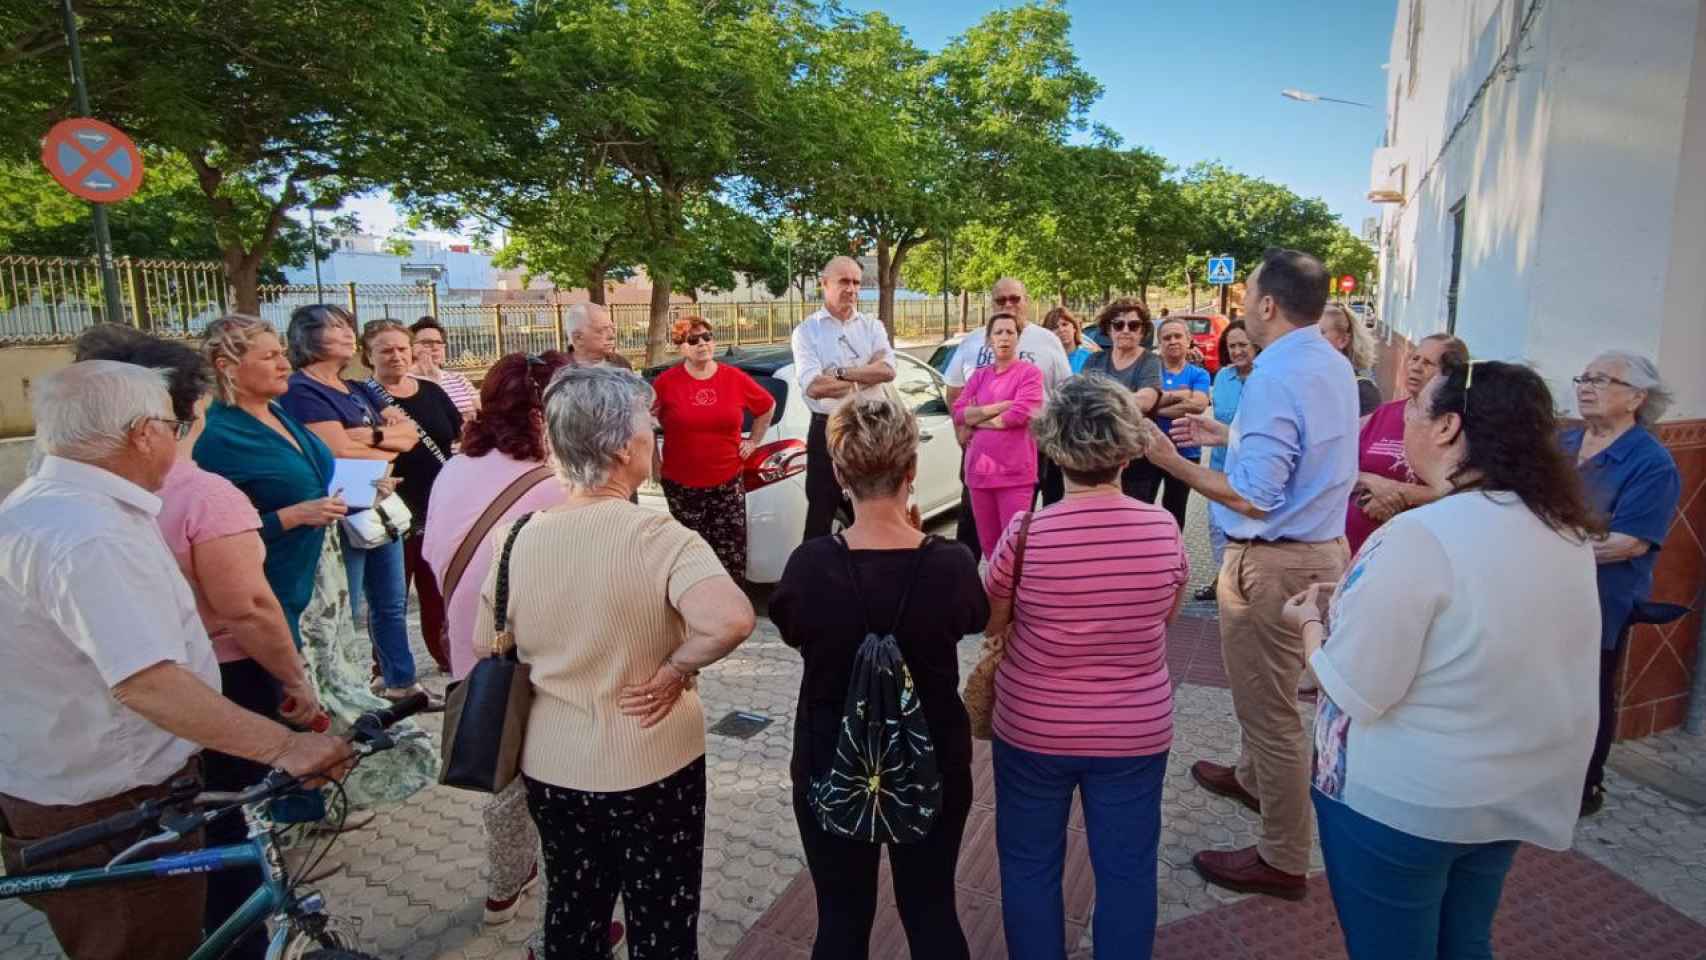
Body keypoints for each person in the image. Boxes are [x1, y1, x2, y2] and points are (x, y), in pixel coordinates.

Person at [0, 360, 351, 960]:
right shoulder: (90, 534)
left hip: (77, 786)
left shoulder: (48, 505)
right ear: (141, 434)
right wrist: (286, 746)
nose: (180, 435)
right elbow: (150, 684)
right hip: (112, 801)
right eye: (172, 424)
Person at [1300, 360, 1602, 959]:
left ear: (1447, 428)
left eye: (1415, 409)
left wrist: (1309, 622)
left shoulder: (1421, 535)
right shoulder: (1564, 530)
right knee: (1465, 940)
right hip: (1506, 792)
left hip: (1408, 805)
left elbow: (1356, 687)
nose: (1405, 420)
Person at [474, 365, 754, 958]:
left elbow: (486, 646)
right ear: (626, 448)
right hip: (654, 760)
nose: (655, 439)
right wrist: (677, 669)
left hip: (552, 765)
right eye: (650, 429)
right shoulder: (661, 537)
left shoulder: (515, 538)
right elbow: (730, 619)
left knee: (574, 912)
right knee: (662, 921)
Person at [73, 326, 322, 960]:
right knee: (227, 821)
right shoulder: (200, 493)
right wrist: (295, 682)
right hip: (219, 676)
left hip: (113, 733)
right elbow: (248, 606)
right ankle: (240, 935)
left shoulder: (62, 499)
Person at [1144, 249, 1358, 900]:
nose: (1240, 308)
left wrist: (1168, 459)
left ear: (1268, 306)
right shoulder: (1328, 361)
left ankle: (1284, 856)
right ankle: (1252, 777)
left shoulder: (1275, 373)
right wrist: (1226, 430)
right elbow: (1293, 454)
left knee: (1271, 713)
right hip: (1318, 548)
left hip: (1276, 560)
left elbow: (1256, 496)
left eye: (1246, 298)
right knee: (1267, 697)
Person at [771, 388, 988, 960]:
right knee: (932, 910)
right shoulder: (951, 564)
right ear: (912, 469)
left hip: (829, 758)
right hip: (933, 761)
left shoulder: (809, 565)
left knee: (841, 920)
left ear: (839, 472)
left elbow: (793, 630)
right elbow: (973, 618)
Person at [200, 315, 441, 809]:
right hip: (275, 582)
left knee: (326, 685)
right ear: (227, 367)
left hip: (323, 573)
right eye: (268, 356)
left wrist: (358, 485)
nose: (283, 362)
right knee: (288, 693)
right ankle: (290, 812)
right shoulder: (218, 436)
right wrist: (289, 516)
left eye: (280, 353)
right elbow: (209, 533)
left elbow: (334, 463)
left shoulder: (278, 413)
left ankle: (321, 799)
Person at [984, 375, 1186, 960]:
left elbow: (995, 621)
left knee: (1028, 864)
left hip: (1033, 728)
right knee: (1127, 871)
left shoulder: (1025, 536)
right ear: (1127, 450)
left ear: (1051, 448)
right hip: (1135, 731)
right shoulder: (1163, 529)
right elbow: (1165, 616)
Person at [278, 304, 432, 705]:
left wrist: (366, 437)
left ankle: (401, 682)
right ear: (306, 338)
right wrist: (378, 440)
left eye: (347, 327)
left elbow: (410, 434)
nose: (348, 334)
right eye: (334, 329)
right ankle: (339, 689)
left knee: (390, 603)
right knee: (344, 608)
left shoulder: (359, 388)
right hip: (337, 513)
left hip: (377, 505)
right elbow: (334, 450)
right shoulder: (301, 391)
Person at [1561, 351, 1682, 817]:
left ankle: (1585, 785)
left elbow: (1628, 543)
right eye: (1583, 376)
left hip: (1601, 597)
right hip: (1547, 591)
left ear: (1637, 398)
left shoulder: (1652, 463)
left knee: (1589, 686)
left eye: (1601, 380)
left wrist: (1548, 548)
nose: (1586, 386)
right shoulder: (1566, 441)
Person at [359, 319, 464, 675]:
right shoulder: (361, 398)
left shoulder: (432, 392)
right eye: (385, 350)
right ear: (367, 355)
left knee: (439, 590)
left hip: (438, 506)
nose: (396, 356)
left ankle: (446, 655)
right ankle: (386, 669)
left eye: (402, 348)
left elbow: (457, 436)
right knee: (390, 596)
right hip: (390, 509)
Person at [944, 279, 1072, 537]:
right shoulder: (972, 341)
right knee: (972, 530)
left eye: (1014, 298)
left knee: (1027, 529)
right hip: (980, 454)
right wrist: (963, 430)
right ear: (991, 303)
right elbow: (955, 391)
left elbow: (1064, 394)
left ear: (1027, 300)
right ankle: (974, 577)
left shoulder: (1047, 340)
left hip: (1032, 450)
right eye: (1001, 300)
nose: (1008, 305)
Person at [653, 315, 777, 579]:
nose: (702, 344)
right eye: (693, 340)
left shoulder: (734, 378)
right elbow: (644, 421)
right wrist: (654, 463)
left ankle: (730, 615)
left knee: (730, 558)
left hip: (727, 484)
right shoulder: (666, 383)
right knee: (689, 558)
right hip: (681, 486)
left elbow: (766, 407)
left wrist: (753, 441)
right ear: (680, 346)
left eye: (707, 337)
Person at [791, 256, 896, 539]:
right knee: (821, 515)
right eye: (844, 281)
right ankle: (817, 581)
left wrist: (838, 373)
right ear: (824, 284)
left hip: (871, 425)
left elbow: (887, 371)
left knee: (874, 509)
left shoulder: (873, 326)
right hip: (828, 429)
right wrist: (865, 375)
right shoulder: (806, 332)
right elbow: (814, 386)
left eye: (856, 282)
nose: (851, 288)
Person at [1345, 333, 1469, 555]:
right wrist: (1373, 481)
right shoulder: (1383, 414)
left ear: (1449, 375)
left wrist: (1397, 494)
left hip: (1410, 550)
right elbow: (1340, 469)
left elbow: (1457, 489)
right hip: (1354, 545)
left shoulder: (1452, 426)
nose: (1416, 367)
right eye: (1414, 358)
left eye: (1429, 363)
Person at [951, 313, 1046, 560]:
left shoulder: (1030, 374)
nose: (1004, 337)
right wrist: (999, 406)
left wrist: (978, 420)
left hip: (1014, 475)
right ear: (989, 339)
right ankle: (994, 597)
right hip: (979, 475)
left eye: (1010, 332)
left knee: (1014, 549)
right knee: (990, 548)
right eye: (998, 332)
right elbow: (959, 412)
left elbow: (1020, 415)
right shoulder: (979, 376)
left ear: (1018, 337)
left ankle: (1017, 598)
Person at [1195, 321, 1257, 601]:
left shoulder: (1267, 378)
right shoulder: (1222, 377)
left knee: (1247, 528)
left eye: (1243, 345)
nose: (1237, 351)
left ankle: (1244, 583)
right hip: (1220, 466)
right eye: (1232, 346)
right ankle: (1223, 577)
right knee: (1217, 526)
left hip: (1253, 467)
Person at [1081, 298, 1163, 504]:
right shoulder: (1095, 360)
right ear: (1109, 330)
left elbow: (1146, 400)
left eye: (1133, 325)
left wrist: (1100, 400)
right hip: (1097, 455)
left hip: (1137, 459)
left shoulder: (1150, 361)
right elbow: (1081, 403)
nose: (1126, 330)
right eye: (1118, 325)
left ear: (1142, 331)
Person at [1153, 316, 1211, 529]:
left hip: (1185, 451)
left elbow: (1198, 405)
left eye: (1178, 336)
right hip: (1148, 451)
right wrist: (1183, 394)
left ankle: (1174, 556)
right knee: (1142, 506)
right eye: (1166, 337)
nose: (1173, 341)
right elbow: (1139, 405)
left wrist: (1156, 406)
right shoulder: (1151, 372)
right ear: (1160, 343)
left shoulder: (1199, 373)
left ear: (1188, 340)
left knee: (1176, 510)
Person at [409, 315, 482, 420]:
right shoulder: (406, 382)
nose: (435, 347)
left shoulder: (459, 378)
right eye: (427, 343)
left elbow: (480, 412)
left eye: (439, 342)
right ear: (411, 347)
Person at [1320, 303, 1382, 416]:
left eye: (1321, 333)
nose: (1312, 339)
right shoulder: (1307, 381)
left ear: (1343, 340)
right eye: (1310, 333)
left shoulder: (1363, 391)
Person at [565, 302, 634, 370]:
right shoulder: (559, 371)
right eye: (601, 331)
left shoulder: (621, 364)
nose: (612, 336)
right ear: (578, 338)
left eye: (612, 329)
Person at [1042, 305, 1097, 374]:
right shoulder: (1044, 361)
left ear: (1074, 328)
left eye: (1065, 324)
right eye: (1055, 327)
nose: (1061, 330)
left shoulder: (1090, 358)